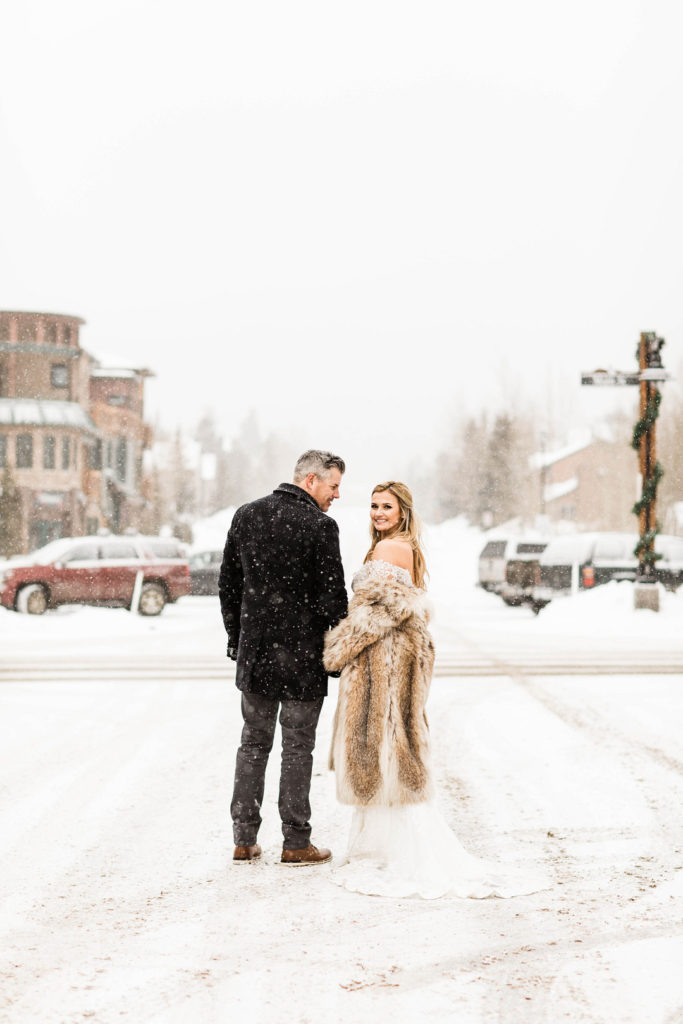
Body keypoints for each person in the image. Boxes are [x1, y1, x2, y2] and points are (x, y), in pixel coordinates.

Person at [324, 481, 546, 899]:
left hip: (385, 658)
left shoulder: (393, 548)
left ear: (403, 511)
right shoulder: (394, 544)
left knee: (388, 742)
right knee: (392, 743)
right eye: (373, 506)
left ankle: (397, 850)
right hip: (388, 656)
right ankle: (383, 845)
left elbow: (384, 609)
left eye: (386, 506)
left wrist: (337, 647)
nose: (377, 513)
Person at [219, 449, 348, 865]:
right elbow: (333, 600)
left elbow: (228, 585)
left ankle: (243, 838)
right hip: (303, 658)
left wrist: (239, 640)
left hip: (256, 656)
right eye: (333, 485)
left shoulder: (247, 515)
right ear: (311, 480)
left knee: (253, 744)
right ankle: (295, 842)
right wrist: (338, 648)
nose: (337, 495)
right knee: (297, 749)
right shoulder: (321, 526)